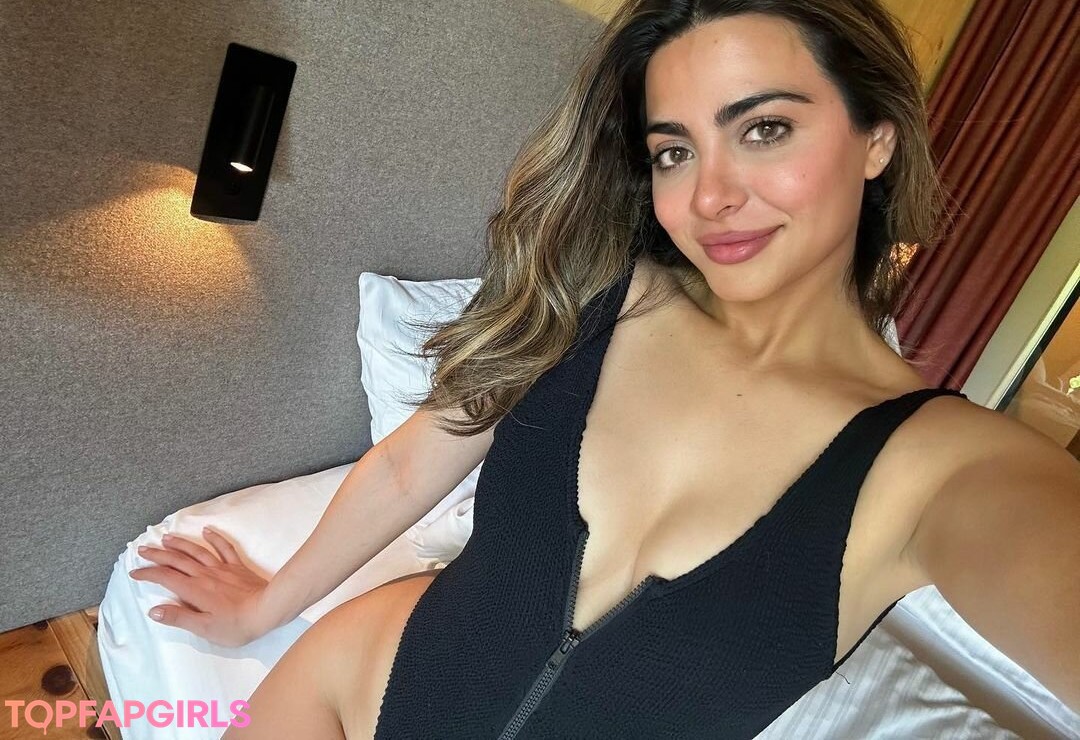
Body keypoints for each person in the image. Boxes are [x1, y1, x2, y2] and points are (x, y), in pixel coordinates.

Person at [128, 1, 1080, 737]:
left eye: (764, 129)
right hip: (344, 696)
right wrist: (263, 607)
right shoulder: (601, 290)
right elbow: (413, 463)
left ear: (877, 138)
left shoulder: (947, 468)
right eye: (674, 150)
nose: (709, 195)